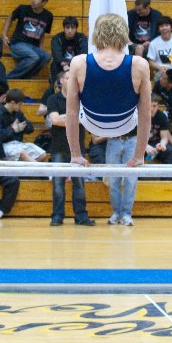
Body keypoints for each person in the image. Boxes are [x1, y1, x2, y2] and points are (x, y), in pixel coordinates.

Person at [66, 13, 152, 226]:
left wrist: (76, 154)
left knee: (79, 108)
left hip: (92, 122)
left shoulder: (78, 62)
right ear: (125, 34)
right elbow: (145, 114)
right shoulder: (140, 64)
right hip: (125, 122)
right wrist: (139, 155)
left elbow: (71, 113)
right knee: (137, 108)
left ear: (96, 35)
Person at [46, 70, 95, 226]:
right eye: (68, 78)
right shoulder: (53, 99)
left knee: (79, 183)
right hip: (58, 147)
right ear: (61, 81)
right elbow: (54, 120)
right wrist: (74, 117)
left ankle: (81, 216)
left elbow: (86, 119)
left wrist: (65, 117)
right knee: (58, 184)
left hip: (78, 149)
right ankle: (57, 216)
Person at [2, 0, 53, 80]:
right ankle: (8, 78)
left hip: (34, 46)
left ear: (44, 2)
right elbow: (10, 17)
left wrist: (41, 48)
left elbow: (42, 33)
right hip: (18, 43)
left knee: (46, 57)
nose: (33, 0)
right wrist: (4, 34)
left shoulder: (48, 16)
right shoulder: (22, 9)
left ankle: (26, 77)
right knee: (34, 57)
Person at [0, 88, 46, 162]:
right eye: (20, 104)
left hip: (17, 144)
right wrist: (12, 129)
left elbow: (31, 128)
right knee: (23, 154)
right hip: (2, 146)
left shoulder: (18, 113)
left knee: (42, 154)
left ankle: (25, 173)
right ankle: (41, 172)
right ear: (13, 103)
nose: (21, 106)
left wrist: (22, 127)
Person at [50, 16, 88, 83]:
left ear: (76, 29)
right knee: (54, 65)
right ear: (64, 28)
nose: (70, 30)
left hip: (76, 65)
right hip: (61, 65)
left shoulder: (81, 38)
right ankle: (54, 86)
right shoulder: (57, 38)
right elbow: (56, 54)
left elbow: (83, 54)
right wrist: (64, 65)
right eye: (67, 27)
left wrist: (72, 66)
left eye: (72, 28)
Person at [146, 93, 172, 165]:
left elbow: (164, 138)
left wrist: (162, 144)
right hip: (141, 145)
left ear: (158, 106)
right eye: (149, 106)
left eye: (154, 106)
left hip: (156, 145)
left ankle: (167, 176)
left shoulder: (162, 116)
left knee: (170, 151)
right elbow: (134, 138)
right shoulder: (138, 116)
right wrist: (145, 146)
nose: (151, 109)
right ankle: (136, 176)